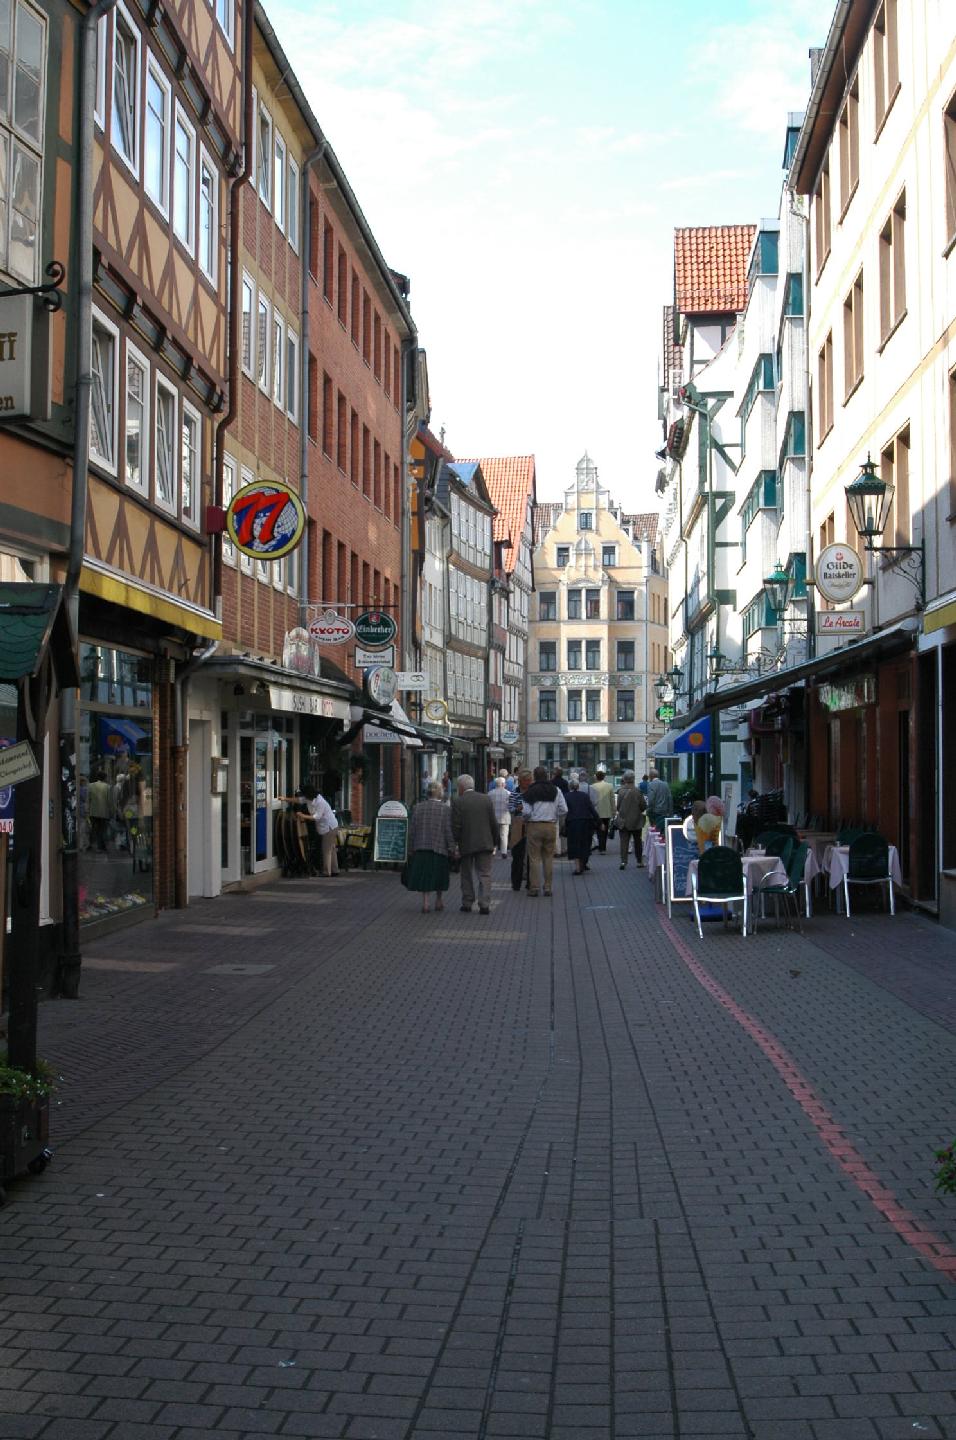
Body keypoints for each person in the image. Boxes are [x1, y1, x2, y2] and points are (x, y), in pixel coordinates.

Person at [451, 774, 498, 914]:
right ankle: (484, 904)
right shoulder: (486, 799)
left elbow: (456, 825)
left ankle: (467, 902)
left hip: (466, 843)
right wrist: (495, 841)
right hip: (485, 842)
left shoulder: (458, 802)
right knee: (485, 874)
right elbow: (493, 822)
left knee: (466, 873)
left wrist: (455, 842)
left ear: (461, 787)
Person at [406, 782, 455, 913]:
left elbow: (412, 830)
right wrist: (452, 848)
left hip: (421, 847)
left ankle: (426, 903)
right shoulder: (445, 809)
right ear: (440, 793)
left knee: (425, 876)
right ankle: (439, 900)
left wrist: (410, 848)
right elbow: (448, 831)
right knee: (439, 876)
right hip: (439, 847)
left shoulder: (417, 808)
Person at [521, 765, 568, 897]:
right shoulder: (556, 790)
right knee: (548, 858)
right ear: (547, 776)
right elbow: (564, 809)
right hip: (550, 826)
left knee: (534, 858)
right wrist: (554, 815)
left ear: (534, 777)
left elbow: (526, 812)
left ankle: (534, 887)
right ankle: (547, 887)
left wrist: (529, 818)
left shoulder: (530, 791)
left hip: (534, 826)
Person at [565, 775, 599, 875]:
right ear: (578, 786)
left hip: (573, 823)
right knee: (584, 844)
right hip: (586, 822)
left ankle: (578, 868)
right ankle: (583, 863)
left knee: (574, 844)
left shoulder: (566, 796)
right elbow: (592, 809)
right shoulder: (585, 796)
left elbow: (564, 811)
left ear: (570, 787)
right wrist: (599, 821)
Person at [305, 783, 340, 876]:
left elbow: (317, 817)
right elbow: (300, 800)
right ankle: (334, 870)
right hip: (332, 826)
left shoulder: (320, 802)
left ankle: (326, 872)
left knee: (326, 850)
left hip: (329, 828)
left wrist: (302, 816)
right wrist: (285, 799)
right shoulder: (313, 799)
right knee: (332, 849)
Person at [616, 770, 647, 868]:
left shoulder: (621, 791)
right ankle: (639, 861)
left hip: (624, 821)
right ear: (633, 779)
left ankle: (623, 862)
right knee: (637, 841)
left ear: (624, 779)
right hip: (636, 820)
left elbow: (618, 807)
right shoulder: (638, 791)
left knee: (624, 842)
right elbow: (643, 806)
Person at [508, 769, 533, 891]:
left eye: (529, 780)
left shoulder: (533, 792)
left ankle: (530, 882)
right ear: (520, 781)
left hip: (531, 824)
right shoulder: (514, 792)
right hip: (518, 824)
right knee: (517, 855)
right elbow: (510, 808)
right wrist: (517, 808)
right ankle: (516, 883)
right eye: (525, 780)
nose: (528, 783)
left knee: (530, 856)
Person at [591, 768, 615, 853]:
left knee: (598, 830)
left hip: (596, 812)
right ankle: (603, 847)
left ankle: (600, 847)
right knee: (605, 830)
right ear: (604, 777)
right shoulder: (609, 786)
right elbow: (612, 799)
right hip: (607, 811)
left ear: (596, 777)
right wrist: (614, 811)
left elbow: (591, 800)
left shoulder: (592, 786)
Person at [87, 769, 111, 852]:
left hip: (93, 811)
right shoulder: (107, 787)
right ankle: (101, 846)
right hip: (104, 812)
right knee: (102, 829)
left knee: (94, 828)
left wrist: (87, 809)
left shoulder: (90, 786)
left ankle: (91, 845)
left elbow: (88, 798)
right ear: (104, 778)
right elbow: (109, 800)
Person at [489, 775, 512, 857]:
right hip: (505, 817)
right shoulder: (508, 793)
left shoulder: (490, 793)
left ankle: (493, 850)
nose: (505, 784)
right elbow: (511, 806)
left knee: (493, 834)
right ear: (502, 784)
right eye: (505, 783)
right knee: (504, 835)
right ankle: (504, 852)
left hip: (494, 817)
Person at [645, 769, 673, 833]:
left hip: (655, 812)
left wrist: (648, 811)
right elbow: (670, 798)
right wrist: (670, 812)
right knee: (663, 830)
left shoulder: (651, 784)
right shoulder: (665, 784)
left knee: (655, 831)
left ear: (651, 776)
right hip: (665, 811)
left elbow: (651, 800)